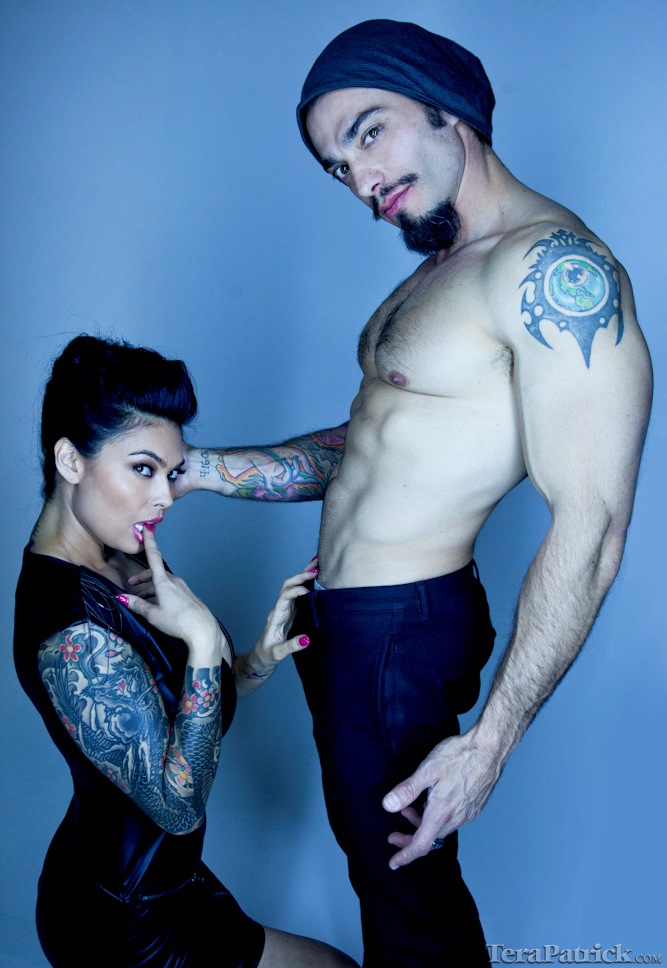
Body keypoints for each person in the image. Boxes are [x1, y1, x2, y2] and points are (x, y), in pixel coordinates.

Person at [164, 19, 653, 968]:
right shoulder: (444, 270)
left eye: (369, 132)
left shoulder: (550, 270)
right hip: (349, 621)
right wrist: (202, 470)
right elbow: (373, 448)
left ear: (445, 107)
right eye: (337, 165)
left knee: (405, 889)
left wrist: (489, 743)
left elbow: (592, 523)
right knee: (382, 872)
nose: (360, 178)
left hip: (401, 629)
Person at [14, 334, 359, 968]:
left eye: (171, 474)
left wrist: (252, 662)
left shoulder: (120, 555)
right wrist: (201, 640)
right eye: (143, 470)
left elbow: (178, 711)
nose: (166, 497)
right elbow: (176, 806)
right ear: (70, 460)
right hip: (124, 923)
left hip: (170, 884)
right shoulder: (73, 631)